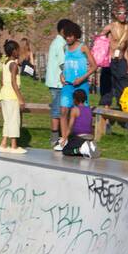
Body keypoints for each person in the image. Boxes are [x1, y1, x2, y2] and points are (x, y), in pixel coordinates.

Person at [53, 24, 96, 151]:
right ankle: (64, 139)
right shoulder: (64, 48)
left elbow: (94, 66)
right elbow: (62, 66)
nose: (68, 39)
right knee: (63, 111)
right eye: (66, 36)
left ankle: (86, 139)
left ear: (76, 35)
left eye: (70, 36)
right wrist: (61, 75)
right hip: (68, 86)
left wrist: (82, 78)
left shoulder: (83, 48)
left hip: (81, 86)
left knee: (83, 112)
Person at [98, 2, 128, 108]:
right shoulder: (110, 27)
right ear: (116, 15)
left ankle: (123, 109)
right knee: (107, 84)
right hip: (110, 59)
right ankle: (106, 113)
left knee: (123, 86)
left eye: (124, 13)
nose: (122, 15)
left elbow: (125, 48)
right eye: (120, 13)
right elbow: (99, 42)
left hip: (121, 60)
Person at [45, 19, 71, 147]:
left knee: (60, 109)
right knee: (57, 110)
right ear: (62, 30)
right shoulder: (60, 44)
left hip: (55, 82)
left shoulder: (57, 42)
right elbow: (62, 63)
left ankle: (60, 135)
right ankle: (55, 137)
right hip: (58, 83)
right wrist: (70, 76)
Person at [0, 39, 27, 154]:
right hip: (12, 96)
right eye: (18, 50)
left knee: (7, 120)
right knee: (14, 120)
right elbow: (14, 83)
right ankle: (14, 146)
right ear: (14, 51)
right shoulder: (14, 65)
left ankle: (4, 144)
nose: (19, 52)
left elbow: (1, 80)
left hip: (4, 95)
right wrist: (20, 99)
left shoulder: (5, 63)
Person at [61, 88, 96, 156]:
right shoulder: (89, 109)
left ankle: (80, 150)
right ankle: (88, 146)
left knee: (66, 150)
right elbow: (90, 125)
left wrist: (64, 139)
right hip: (90, 136)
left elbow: (70, 126)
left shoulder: (75, 110)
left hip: (80, 137)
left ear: (75, 99)